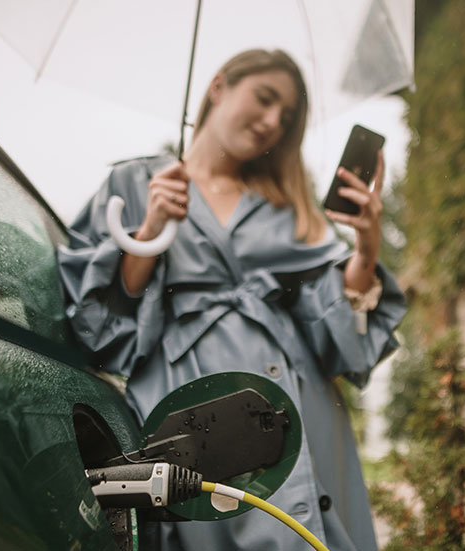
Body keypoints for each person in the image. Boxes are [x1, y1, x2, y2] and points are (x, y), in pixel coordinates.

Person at [58, 49, 406, 551]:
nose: (271, 123)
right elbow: (102, 328)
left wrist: (367, 249)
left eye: (285, 117)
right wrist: (151, 229)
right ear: (219, 85)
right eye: (264, 99)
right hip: (191, 407)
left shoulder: (286, 208)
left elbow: (334, 335)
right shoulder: (135, 183)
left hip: (295, 401)